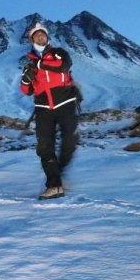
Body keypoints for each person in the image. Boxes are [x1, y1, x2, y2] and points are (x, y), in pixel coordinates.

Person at [20, 22, 80, 200]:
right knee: (44, 148)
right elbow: (26, 90)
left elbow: (64, 66)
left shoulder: (59, 53)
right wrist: (26, 79)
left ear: (47, 37)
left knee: (69, 142)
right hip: (43, 108)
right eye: (36, 35)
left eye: (43, 34)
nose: (40, 37)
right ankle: (54, 186)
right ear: (32, 39)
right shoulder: (29, 63)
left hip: (66, 103)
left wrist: (40, 65)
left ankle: (58, 173)